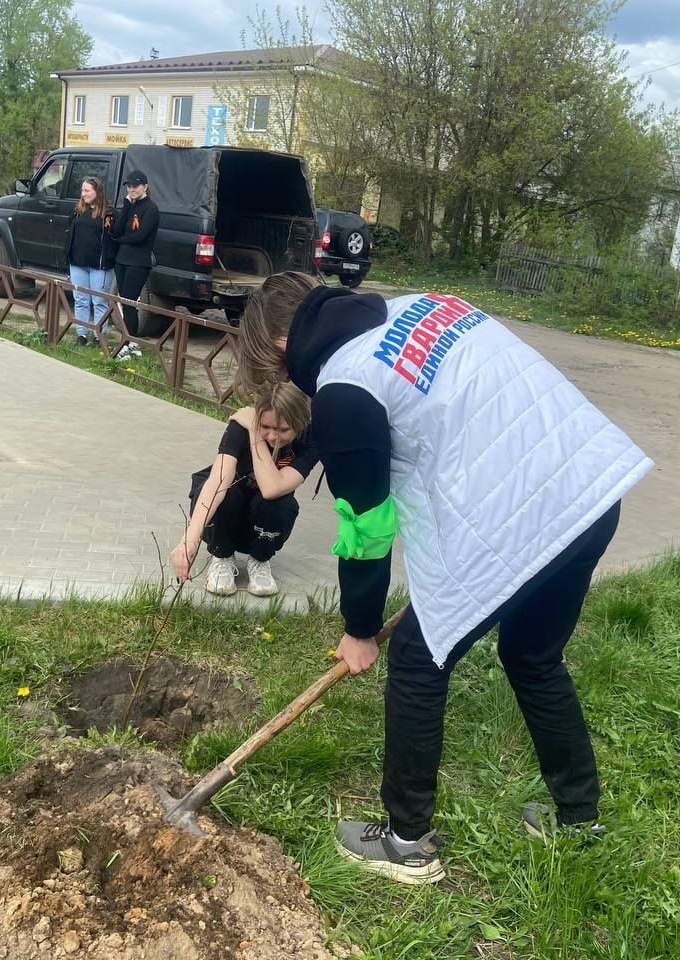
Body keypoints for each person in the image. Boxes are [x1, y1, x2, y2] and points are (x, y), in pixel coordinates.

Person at [235, 272, 652, 884]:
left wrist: (359, 629)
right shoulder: (422, 304)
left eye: (270, 368)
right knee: (533, 654)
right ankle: (578, 820)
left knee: (415, 658)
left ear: (277, 340)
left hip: (521, 515)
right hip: (589, 486)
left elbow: (369, 529)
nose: (283, 384)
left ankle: (406, 841)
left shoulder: (346, 387)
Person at [170, 381, 318, 597]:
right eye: (265, 427)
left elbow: (272, 488)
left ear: (299, 423)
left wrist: (256, 434)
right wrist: (189, 539)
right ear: (257, 418)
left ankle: (260, 560)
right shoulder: (241, 425)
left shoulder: (310, 440)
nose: (272, 437)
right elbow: (218, 481)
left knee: (281, 503)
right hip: (228, 511)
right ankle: (222, 556)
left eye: (283, 429)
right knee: (224, 491)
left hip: (262, 519)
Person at [111, 170, 160, 359]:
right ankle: (130, 341)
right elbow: (116, 230)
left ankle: (131, 342)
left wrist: (120, 239)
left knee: (130, 302)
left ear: (145, 187)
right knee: (124, 302)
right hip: (122, 260)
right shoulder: (130, 205)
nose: (131, 189)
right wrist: (125, 205)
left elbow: (140, 237)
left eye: (135, 186)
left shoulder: (151, 209)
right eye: (129, 186)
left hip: (138, 262)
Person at [64, 176, 117, 346]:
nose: (83, 194)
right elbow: (70, 228)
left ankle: (98, 336)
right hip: (78, 262)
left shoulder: (109, 213)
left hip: (99, 265)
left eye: (87, 191)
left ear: (97, 192)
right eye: (82, 190)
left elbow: (114, 236)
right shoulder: (78, 210)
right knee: (80, 299)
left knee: (99, 301)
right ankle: (81, 334)